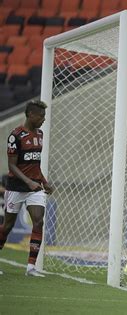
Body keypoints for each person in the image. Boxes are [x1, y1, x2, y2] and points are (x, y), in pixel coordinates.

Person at [0, 100, 54, 277]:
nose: (44, 119)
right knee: (7, 226)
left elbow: (35, 164)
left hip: (35, 188)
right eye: (41, 116)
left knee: (38, 221)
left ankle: (31, 267)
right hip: (15, 188)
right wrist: (28, 182)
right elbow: (12, 166)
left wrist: (43, 182)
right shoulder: (15, 136)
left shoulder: (39, 134)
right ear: (31, 115)